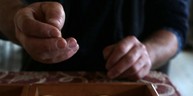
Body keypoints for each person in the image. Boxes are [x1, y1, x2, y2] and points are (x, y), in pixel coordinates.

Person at [0, 0, 190, 80]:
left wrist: (148, 52)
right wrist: (18, 21)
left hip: (132, 85)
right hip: (45, 77)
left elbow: (175, 26)